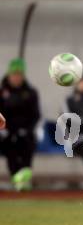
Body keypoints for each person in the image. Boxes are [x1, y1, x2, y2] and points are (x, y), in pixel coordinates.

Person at [0, 58, 40, 191]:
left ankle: (24, 176)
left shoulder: (30, 93)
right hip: (6, 131)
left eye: (19, 74)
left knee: (27, 142)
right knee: (9, 144)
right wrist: (4, 130)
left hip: (25, 130)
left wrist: (27, 129)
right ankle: (16, 177)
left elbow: (35, 115)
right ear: (9, 74)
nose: (16, 77)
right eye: (14, 74)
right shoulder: (2, 92)